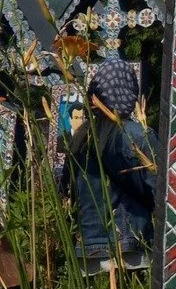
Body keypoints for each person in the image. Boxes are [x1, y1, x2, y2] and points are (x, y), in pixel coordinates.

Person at [66, 57, 158, 272]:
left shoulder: (80, 139)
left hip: (86, 251)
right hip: (130, 251)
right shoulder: (139, 136)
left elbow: (69, 190)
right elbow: (162, 190)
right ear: (130, 91)